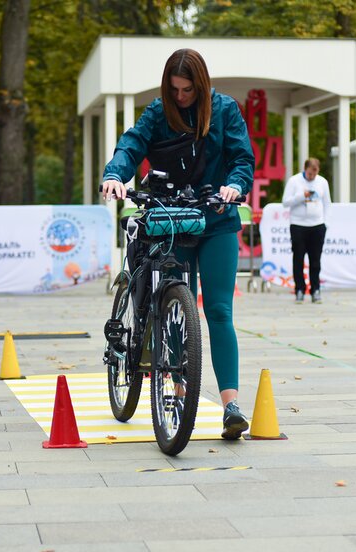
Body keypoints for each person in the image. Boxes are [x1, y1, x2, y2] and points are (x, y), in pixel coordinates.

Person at [101, 48, 255, 440]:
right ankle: (178, 390)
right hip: (172, 219)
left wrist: (235, 185)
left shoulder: (224, 110)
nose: (181, 96)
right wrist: (116, 174)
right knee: (174, 302)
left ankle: (231, 406)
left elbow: (243, 159)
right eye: (175, 89)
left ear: (201, 86)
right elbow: (131, 145)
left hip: (217, 219)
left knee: (219, 310)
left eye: (188, 89)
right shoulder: (158, 112)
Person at [282, 158, 332, 304]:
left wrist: (325, 223)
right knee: (298, 258)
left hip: (317, 225)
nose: (312, 177)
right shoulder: (294, 181)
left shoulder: (322, 182)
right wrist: (300, 196)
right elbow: (285, 202)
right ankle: (299, 289)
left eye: (314, 174)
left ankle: (315, 289)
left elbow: (327, 203)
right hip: (298, 224)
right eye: (310, 174)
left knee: (315, 259)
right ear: (305, 169)